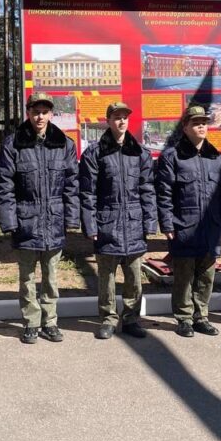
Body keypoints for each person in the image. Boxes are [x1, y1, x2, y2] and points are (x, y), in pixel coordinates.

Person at [0, 92, 80, 345]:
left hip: (54, 221)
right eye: (35, 112)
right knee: (27, 278)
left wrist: (71, 219)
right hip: (25, 222)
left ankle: (50, 322)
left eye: (44, 112)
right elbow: (4, 186)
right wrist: (9, 221)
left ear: (51, 114)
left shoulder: (64, 144)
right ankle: (31, 323)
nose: (40, 117)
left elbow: (72, 185)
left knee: (51, 277)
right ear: (28, 113)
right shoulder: (13, 144)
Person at [79, 102, 157, 340]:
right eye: (117, 117)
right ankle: (108, 319)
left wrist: (150, 223)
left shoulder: (140, 152)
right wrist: (90, 225)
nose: (121, 121)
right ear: (108, 120)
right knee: (107, 277)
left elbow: (147, 190)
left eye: (125, 117)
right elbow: (88, 193)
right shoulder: (95, 153)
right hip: (107, 222)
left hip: (134, 222)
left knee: (134, 277)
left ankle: (131, 319)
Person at [155, 105, 221, 338]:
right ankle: (184, 318)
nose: (201, 127)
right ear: (185, 127)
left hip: (211, 227)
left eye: (204, 123)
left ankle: (201, 317)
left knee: (206, 276)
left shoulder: (216, 158)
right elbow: (164, 193)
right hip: (184, 226)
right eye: (196, 123)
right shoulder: (172, 157)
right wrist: (167, 224)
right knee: (184, 276)